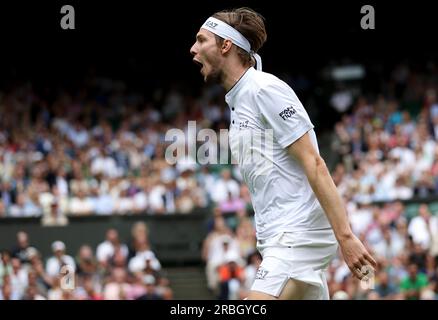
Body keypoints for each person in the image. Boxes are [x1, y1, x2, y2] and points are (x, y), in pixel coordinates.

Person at [190, 7, 376, 300]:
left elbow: (315, 163)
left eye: (201, 40)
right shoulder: (239, 101)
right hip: (278, 240)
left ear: (225, 46)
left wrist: (346, 237)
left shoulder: (264, 89)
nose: (193, 49)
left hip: (296, 237)